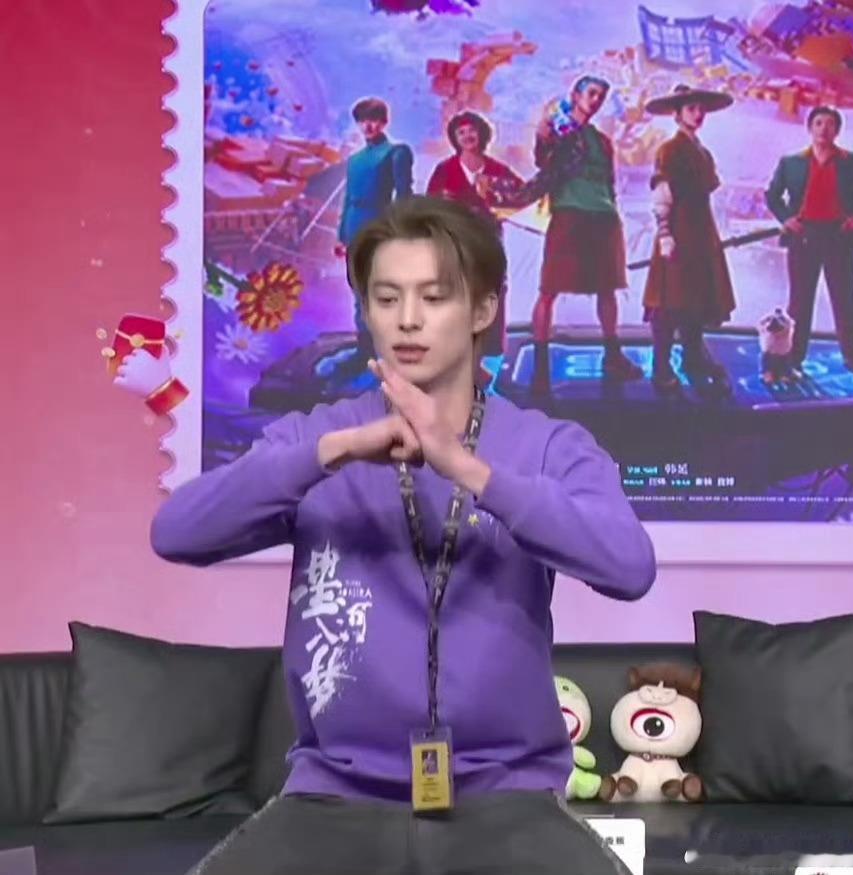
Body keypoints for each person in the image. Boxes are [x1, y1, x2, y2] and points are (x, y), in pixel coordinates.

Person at [153, 195, 655, 875]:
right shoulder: (316, 437)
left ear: (482, 310)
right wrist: (332, 453)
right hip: (333, 793)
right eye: (386, 298)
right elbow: (178, 531)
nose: (407, 319)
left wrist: (469, 469)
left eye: (433, 297)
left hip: (507, 794)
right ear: (366, 311)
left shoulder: (547, 446)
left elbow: (628, 566)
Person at [530, 75, 642, 393]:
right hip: (569, 214)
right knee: (549, 289)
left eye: (601, 96)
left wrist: (612, 211)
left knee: (608, 288)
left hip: (603, 217)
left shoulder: (601, 141)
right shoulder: (558, 130)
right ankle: (541, 370)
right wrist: (543, 136)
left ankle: (613, 357)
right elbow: (542, 161)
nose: (596, 100)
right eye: (591, 93)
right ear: (576, 95)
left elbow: (609, 182)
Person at [765, 105, 853, 380]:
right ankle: (793, 359)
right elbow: (772, 195)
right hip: (803, 237)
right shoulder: (791, 162)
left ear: (837, 130)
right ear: (810, 128)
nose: (824, 129)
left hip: (839, 237)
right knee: (799, 302)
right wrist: (786, 219)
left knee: (845, 300)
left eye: (830, 124)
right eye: (818, 123)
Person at [641, 84, 737, 398]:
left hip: (700, 230)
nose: (698, 114)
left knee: (695, 296)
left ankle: (693, 357)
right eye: (691, 108)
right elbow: (662, 193)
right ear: (678, 113)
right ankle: (661, 366)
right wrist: (665, 233)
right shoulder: (670, 149)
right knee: (670, 299)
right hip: (678, 229)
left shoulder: (702, 152)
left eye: (701, 109)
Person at [427, 110, 524, 374]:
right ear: (454, 139)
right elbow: (431, 208)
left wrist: (496, 198)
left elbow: (521, 197)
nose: (467, 136)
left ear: (482, 134)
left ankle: (482, 359)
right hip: (456, 244)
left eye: (472, 130)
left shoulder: (498, 170)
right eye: (461, 132)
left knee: (489, 296)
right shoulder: (444, 170)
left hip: (489, 243)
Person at [334, 97, 414, 379]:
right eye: (363, 120)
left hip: (379, 226)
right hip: (354, 229)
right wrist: (341, 235)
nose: (368, 126)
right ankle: (365, 351)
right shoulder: (355, 160)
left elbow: (403, 195)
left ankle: (393, 349)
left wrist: (400, 232)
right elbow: (348, 199)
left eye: (374, 120)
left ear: (384, 122)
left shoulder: (396, 152)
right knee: (359, 291)